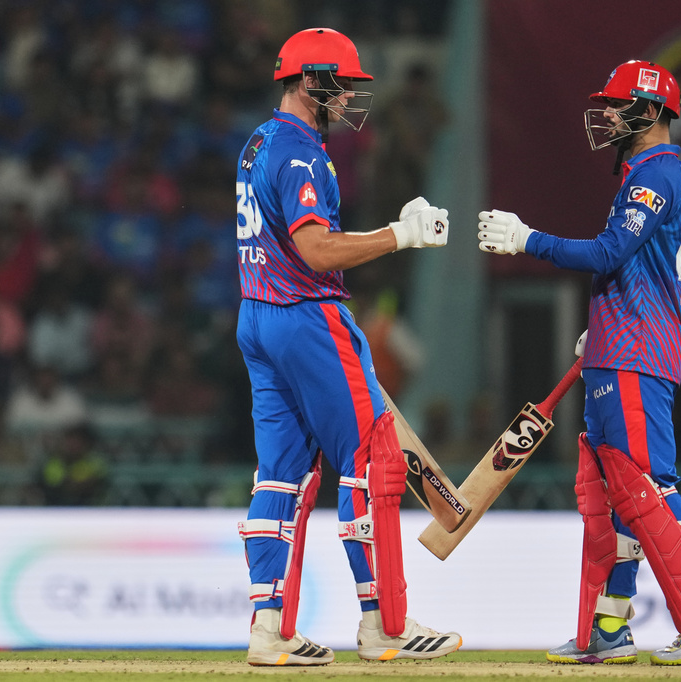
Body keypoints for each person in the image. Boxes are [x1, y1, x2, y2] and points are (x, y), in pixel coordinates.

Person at [476, 60, 681, 666]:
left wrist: (527, 240)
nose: (610, 118)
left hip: (635, 358)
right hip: (620, 349)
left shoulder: (657, 174)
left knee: (649, 489)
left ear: (651, 113)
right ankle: (610, 625)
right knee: (618, 498)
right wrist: (602, 326)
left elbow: (607, 250)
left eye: (621, 107)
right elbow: (640, 269)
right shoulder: (647, 174)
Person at [234, 28, 459, 666]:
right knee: (372, 460)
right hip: (308, 317)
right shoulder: (301, 154)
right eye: (342, 84)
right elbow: (315, 250)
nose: (349, 98)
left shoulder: (258, 142)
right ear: (309, 80)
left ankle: (268, 629)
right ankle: (384, 623)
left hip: (258, 316)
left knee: (280, 477)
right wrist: (400, 234)